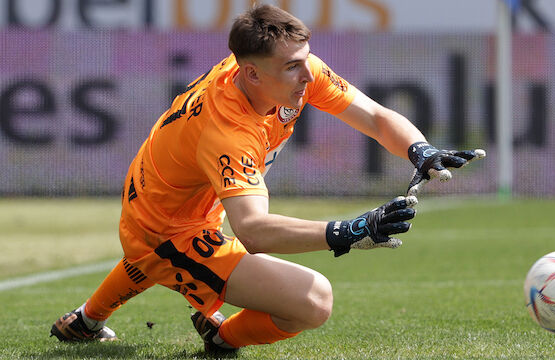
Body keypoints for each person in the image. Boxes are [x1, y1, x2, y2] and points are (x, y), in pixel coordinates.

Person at [50, 4, 484, 354]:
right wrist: (352, 231)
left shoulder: (280, 71)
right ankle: (222, 337)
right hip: (167, 230)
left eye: (306, 59)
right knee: (313, 300)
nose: (310, 75)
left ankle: (87, 320)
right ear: (253, 74)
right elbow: (254, 230)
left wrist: (420, 150)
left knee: (157, 254)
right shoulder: (228, 131)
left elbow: (373, 115)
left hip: (169, 201)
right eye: (295, 67)